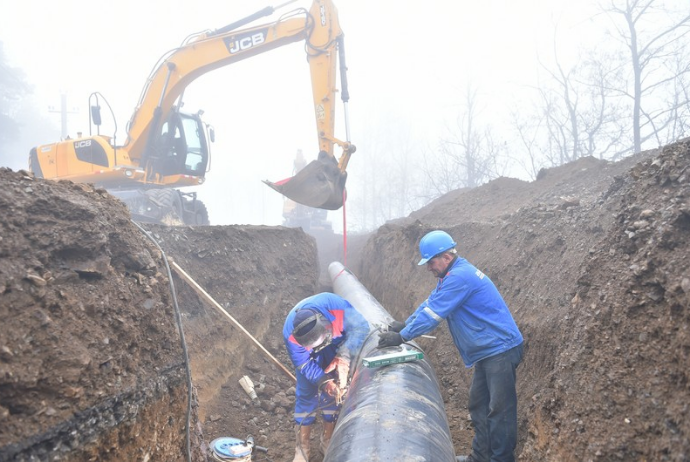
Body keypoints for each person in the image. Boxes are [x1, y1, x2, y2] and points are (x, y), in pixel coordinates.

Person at [378, 230, 524, 462]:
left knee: (499, 410)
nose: (428, 267)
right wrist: (405, 324)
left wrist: (403, 336)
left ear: (446, 256)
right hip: (488, 351)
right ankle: (480, 457)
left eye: (431, 261)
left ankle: (501, 459)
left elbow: (433, 315)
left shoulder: (459, 277)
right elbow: (430, 304)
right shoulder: (451, 275)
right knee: (479, 405)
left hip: (500, 350)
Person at [284, 292, 370, 462]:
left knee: (332, 394)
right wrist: (324, 382)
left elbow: (361, 327)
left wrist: (344, 355)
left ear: (325, 324)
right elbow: (304, 365)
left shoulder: (337, 307)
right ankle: (302, 448)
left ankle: (327, 440)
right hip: (311, 358)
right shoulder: (291, 335)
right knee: (307, 393)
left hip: (337, 346)